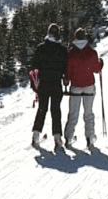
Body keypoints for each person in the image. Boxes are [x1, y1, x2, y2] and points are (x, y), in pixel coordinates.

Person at [29, 23, 68, 151]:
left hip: (43, 84)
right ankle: (57, 138)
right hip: (56, 83)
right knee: (55, 110)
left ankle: (36, 135)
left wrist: (35, 84)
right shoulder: (62, 50)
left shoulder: (41, 48)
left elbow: (33, 67)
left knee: (42, 109)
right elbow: (65, 68)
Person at [63, 28, 103, 150]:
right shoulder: (91, 52)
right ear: (85, 37)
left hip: (76, 86)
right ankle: (90, 137)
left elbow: (67, 74)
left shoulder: (71, 53)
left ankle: (69, 137)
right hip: (89, 85)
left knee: (73, 113)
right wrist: (101, 63)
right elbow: (97, 69)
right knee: (88, 112)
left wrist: (66, 81)